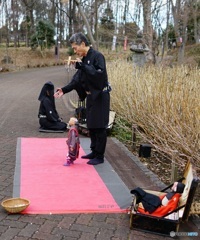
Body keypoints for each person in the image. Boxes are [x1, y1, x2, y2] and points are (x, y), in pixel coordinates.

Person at [54, 32, 111, 165]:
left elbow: (99, 75)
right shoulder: (84, 60)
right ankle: (94, 151)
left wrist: (83, 66)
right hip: (91, 96)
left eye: (75, 48)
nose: (75, 51)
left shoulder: (98, 56)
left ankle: (100, 156)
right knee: (91, 124)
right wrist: (64, 90)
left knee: (100, 126)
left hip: (101, 96)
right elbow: (76, 80)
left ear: (83, 44)